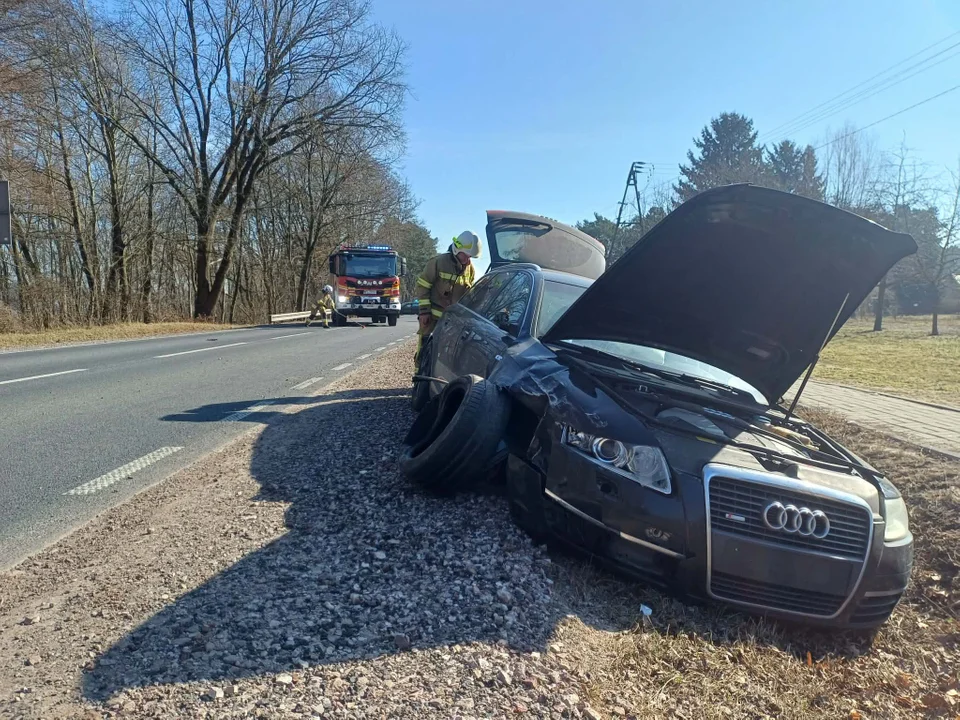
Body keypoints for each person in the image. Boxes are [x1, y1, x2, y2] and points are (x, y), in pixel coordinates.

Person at [415, 230, 481, 360]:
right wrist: (424, 312)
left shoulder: (470, 269)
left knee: (446, 357)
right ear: (457, 249)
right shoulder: (438, 262)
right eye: (466, 256)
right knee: (425, 352)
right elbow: (423, 286)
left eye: (471, 257)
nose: (468, 260)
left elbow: (468, 296)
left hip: (453, 323)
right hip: (432, 319)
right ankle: (419, 378)